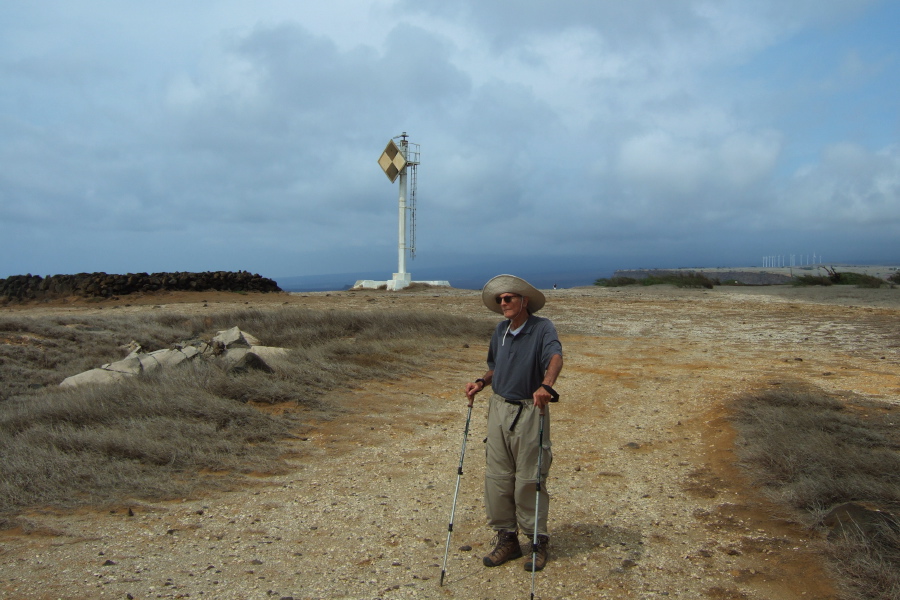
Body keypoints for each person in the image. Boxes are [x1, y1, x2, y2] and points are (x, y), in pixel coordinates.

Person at [464, 274, 563, 572]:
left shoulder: (542, 327)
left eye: (508, 298)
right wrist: (481, 382)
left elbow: (555, 357)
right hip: (498, 408)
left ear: (524, 301)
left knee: (529, 479)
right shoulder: (500, 330)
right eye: (500, 299)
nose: (503, 303)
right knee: (497, 477)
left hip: (531, 409)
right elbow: (495, 366)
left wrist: (546, 385)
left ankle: (536, 541)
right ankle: (507, 539)